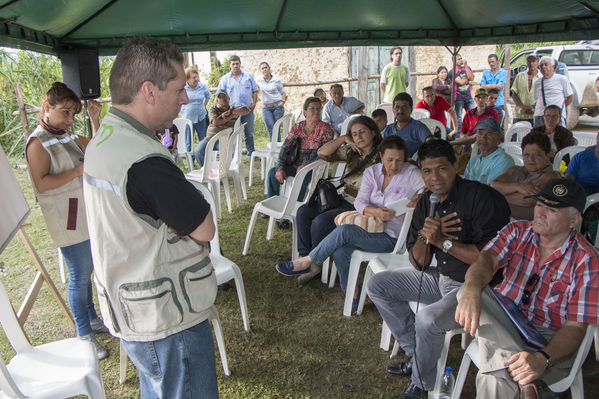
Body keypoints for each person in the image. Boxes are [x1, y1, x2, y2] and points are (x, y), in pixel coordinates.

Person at [83, 37, 219, 398]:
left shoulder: (106, 136)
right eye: (177, 89)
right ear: (149, 91)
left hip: (134, 309)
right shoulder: (144, 159)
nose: (185, 99)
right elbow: (204, 227)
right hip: (167, 318)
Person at [367, 139, 510, 399]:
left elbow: (487, 258)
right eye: (427, 171)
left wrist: (444, 241)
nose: (434, 177)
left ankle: (421, 385)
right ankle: (416, 354)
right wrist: (426, 237)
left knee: (428, 319)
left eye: (442, 168)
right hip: (443, 278)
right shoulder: (426, 203)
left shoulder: (481, 198)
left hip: (477, 289)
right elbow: (419, 262)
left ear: (456, 165)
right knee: (378, 284)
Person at [455, 178, 599, 399]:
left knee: (493, 378)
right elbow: (485, 260)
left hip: (549, 340)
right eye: (539, 205)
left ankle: (518, 372)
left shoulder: (587, 260)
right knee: (469, 288)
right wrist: (473, 289)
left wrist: (542, 358)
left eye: (551, 210)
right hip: (506, 322)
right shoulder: (518, 231)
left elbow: (575, 328)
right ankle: (526, 381)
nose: (539, 213)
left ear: (574, 220)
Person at [277, 135, 425, 312]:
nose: (394, 165)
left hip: (394, 237)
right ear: (380, 156)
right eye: (389, 160)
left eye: (399, 160)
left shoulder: (411, 173)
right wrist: (375, 211)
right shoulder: (373, 172)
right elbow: (359, 202)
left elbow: (432, 188)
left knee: (345, 231)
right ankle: (353, 292)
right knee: (341, 248)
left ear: (405, 159)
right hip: (369, 228)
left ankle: (308, 261)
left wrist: (420, 196)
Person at [25, 82, 109, 360]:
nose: (70, 119)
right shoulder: (38, 142)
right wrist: (76, 172)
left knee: (88, 273)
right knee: (79, 275)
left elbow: (96, 148)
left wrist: (94, 119)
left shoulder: (65, 135)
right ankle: (83, 335)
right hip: (67, 219)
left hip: (83, 213)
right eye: (65, 113)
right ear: (47, 108)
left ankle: (91, 318)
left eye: (74, 114)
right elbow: (41, 183)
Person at [293, 116, 383, 283]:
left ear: (373, 132)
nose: (359, 137)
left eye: (363, 132)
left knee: (320, 221)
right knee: (303, 211)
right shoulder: (352, 152)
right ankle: (305, 257)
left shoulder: (382, 154)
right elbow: (322, 153)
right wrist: (343, 139)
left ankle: (315, 264)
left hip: (361, 207)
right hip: (344, 198)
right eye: (355, 134)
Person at [266, 96, 334, 198]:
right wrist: (280, 167)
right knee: (272, 173)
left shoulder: (325, 129)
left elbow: (324, 153)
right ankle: (272, 203)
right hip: (295, 164)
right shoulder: (297, 127)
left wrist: (308, 164)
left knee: (301, 177)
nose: (316, 111)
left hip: (313, 168)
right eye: (312, 108)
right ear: (305, 112)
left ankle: (295, 208)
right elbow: (285, 148)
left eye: (318, 108)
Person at [491, 132, 561, 220]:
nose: (530, 159)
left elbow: (527, 200)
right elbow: (493, 185)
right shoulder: (513, 170)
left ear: (547, 156)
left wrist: (497, 196)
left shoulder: (550, 177)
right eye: (526, 155)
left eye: (537, 155)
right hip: (498, 219)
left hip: (524, 227)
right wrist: (517, 187)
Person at [193, 91, 249, 166]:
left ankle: (226, 170)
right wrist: (231, 116)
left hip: (224, 138)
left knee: (226, 152)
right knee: (198, 151)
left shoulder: (234, 108)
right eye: (219, 97)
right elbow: (215, 122)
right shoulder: (214, 109)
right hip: (210, 138)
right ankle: (207, 171)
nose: (222, 98)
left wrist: (231, 112)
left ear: (228, 98)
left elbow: (246, 110)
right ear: (217, 100)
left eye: (224, 96)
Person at [218, 55, 259, 156]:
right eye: (233, 64)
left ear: (240, 64)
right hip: (232, 111)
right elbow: (220, 95)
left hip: (247, 110)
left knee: (248, 133)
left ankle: (251, 154)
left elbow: (255, 91)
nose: (235, 66)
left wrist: (254, 103)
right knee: (233, 134)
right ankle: (234, 156)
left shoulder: (248, 76)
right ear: (230, 65)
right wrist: (224, 109)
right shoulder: (225, 79)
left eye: (237, 63)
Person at [464, 117, 515, 185]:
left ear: (498, 136)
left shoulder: (503, 161)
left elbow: (490, 191)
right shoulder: (474, 160)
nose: (483, 138)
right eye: (480, 133)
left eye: (489, 134)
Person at [382, 93, 431, 158]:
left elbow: (431, 143)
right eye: (397, 107)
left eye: (404, 107)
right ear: (393, 110)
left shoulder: (418, 127)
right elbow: (380, 149)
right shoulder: (388, 129)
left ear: (411, 109)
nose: (400, 110)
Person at [533, 56, 573, 128]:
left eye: (546, 64)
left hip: (557, 117)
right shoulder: (537, 82)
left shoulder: (562, 79)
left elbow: (570, 96)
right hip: (540, 115)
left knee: (559, 137)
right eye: (541, 65)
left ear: (552, 66)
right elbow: (536, 99)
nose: (544, 67)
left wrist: (558, 109)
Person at [180, 67, 211, 154]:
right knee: (189, 141)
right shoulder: (183, 88)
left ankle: (204, 160)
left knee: (203, 140)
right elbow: (178, 100)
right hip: (188, 118)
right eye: (194, 77)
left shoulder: (202, 86)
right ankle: (190, 161)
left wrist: (203, 106)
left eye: (197, 77)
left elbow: (208, 96)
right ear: (187, 79)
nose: (196, 79)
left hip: (201, 117)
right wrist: (182, 111)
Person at [256, 61, 287, 141]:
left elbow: (283, 92)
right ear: (260, 71)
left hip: (277, 107)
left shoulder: (276, 80)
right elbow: (253, 88)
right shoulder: (258, 80)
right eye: (262, 68)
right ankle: (274, 148)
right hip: (266, 108)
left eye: (266, 67)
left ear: (269, 69)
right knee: (270, 127)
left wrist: (282, 102)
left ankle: (276, 149)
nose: (264, 70)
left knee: (276, 128)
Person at [511, 54, 541, 124]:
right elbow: (514, 94)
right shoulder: (520, 76)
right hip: (519, 115)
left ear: (538, 62)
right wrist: (523, 107)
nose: (531, 64)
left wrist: (533, 107)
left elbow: (543, 97)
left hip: (535, 115)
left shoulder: (541, 77)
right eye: (529, 61)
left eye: (533, 61)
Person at [449, 54, 475, 134]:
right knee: (459, 119)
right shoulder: (452, 72)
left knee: (473, 117)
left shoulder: (466, 68)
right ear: (454, 61)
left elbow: (472, 78)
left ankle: (472, 135)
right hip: (459, 98)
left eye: (461, 59)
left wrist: (466, 66)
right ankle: (457, 138)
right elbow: (461, 82)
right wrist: (467, 79)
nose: (461, 60)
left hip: (469, 97)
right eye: (458, 59)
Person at [480, 53, 508, 118]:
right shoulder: (485, 72)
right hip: (487, 104)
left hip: (499, 103)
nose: (491, 64)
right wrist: (496, 86)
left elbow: (500, 87)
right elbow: (482, 87)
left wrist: (487, 86)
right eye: (489, 62)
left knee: (498, 125)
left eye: (493, 61)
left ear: (497, 62)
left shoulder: (503, 72)